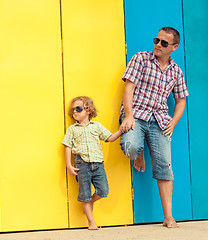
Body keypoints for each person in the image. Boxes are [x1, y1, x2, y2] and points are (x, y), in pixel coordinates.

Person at [119, 27, 189, 228]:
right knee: (131, 146)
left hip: (159, 120)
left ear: (174, 47)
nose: (158, 45)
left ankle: (168, 217)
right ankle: (139, 150)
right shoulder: (140, 59)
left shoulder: (176, 71)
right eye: (156, 40)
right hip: (137, 115)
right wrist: (129, 116)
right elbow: (129, 88)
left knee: (165, 167)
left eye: (164, 43)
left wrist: (173, 122)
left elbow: (181, 100)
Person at [62, 96, 122, 230]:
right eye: (73, 110)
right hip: (81, 165)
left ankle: (88, 203)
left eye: (78, 109)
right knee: (84, 193)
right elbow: (67, 146)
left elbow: (110, 138)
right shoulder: (73, 129)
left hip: (98, 164)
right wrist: (68, 165)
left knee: (103, 191)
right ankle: (91, 222)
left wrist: (121, 131)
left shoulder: (96, 126)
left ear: (88, 110)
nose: (75, 112)